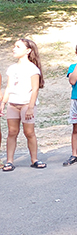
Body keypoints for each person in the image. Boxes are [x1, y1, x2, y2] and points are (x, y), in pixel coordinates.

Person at [1, 38, 45, 171]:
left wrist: (31, 107)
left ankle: (34, 159)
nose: (14, 49)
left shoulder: (33, 69)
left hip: (26, 104)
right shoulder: (12, 68)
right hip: (13, 104)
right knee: (12, 132)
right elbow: (8, 87)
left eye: (18, 47)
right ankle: (9, 161)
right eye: (14, 46)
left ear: (28, 51)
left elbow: (35, 89)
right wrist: (3, 102)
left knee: (29, 132)